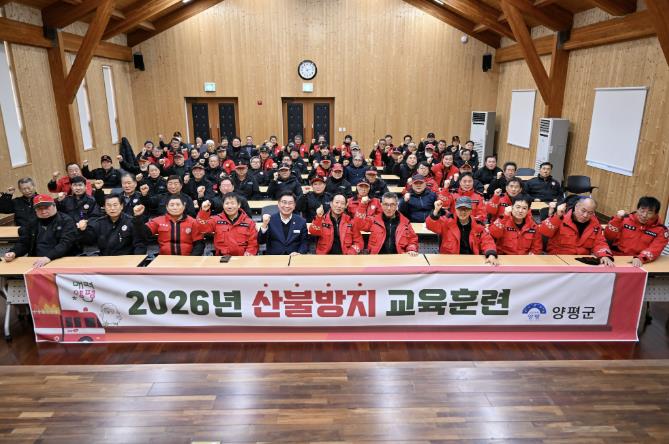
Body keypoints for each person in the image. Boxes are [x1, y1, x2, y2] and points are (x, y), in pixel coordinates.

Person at [3, 194, 78, 267]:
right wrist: (14, 252)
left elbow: (65, 244)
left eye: (46, 207)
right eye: (39, 208)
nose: (43, 211)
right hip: (36, 260)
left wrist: (48, 257)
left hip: (61, 258)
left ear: (54, 206)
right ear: (35, 210)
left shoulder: (66, 220)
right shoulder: (32, 222)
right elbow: (24, 242)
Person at [539, 198, 614, 265]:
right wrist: (557, 216)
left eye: (590, 213)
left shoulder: (595, 224)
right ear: (576, 207)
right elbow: (544, 232)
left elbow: (599, 242)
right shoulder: (561, 217)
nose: (585, 215)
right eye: (583, 211)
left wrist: (604, 255)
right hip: (558, 260)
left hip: (582, 262)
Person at [426, 197, 498, 265]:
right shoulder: (446, 222)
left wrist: (491, 254)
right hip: (449, 261)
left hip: (472, 261)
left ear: (471, 210)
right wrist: (435, 211)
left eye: (466, 209)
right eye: (460, 209)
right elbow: (430, 225)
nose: (463, 212)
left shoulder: (478, 225)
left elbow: (487, 241)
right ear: (455, 209)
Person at [605, 196, 669, 266]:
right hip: (616, 257)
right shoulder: (624, 219)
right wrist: (617, 220)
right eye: (642, 211)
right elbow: (608, 236)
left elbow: (655, 248)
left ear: (655, 214)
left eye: (649, 213)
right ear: (637, 209)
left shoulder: (661, 230)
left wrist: (641, 258)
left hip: (639, 260)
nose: (644, 215)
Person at [133, 196, 204, 256]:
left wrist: (191, 260)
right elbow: (144, 233)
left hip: (187, 259)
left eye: (178, 205)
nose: (175, 207)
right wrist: (137, 217)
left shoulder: (193, 222)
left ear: (184, 206)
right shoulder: (158, 220)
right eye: (171, 205)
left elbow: (199, 244)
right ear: (167, 207)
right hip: (164, 259)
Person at [77, 194, 146, 256]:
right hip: (105, 260)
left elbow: (139, 245)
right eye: (109, 205)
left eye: (115, 205)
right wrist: (83, 230)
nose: (112, 208)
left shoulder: (131, 221)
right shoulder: (99, 222)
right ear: (104, 207)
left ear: (121, 206)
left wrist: (136, 261)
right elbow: (89, 241)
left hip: (126, 260)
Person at [354, 192, 418, 255]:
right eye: (386, 204)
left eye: (392, 205)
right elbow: (359, 225)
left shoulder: (405, 222)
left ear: (397, 205)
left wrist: (411, 249)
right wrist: (362, 205)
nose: (389, 208)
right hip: (376, 257)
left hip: (398, 257)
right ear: (381, 205)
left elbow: (413, 239)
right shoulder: (374, 220)